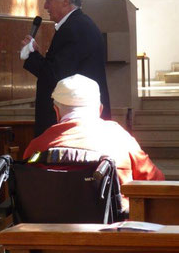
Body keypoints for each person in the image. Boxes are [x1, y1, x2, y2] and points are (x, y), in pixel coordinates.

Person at [23, 74, 165, 210]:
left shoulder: (36, 147)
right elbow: (155, 182)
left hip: (48, 232)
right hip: (113, 231)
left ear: (56, 111)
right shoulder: (120, 139)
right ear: (100, 109)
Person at [21, 0, 110, 137]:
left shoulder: (74, 29)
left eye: (49, 0)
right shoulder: (78, 25)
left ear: (65, 0)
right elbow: (61, 68)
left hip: (75, 122)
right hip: (77, 118)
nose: (45, 6)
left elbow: (57, 77)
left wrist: (33, 56)